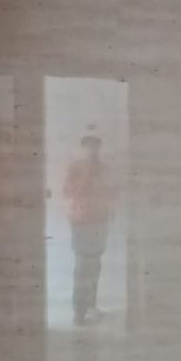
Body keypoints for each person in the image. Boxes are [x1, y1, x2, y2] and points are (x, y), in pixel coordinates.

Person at [62, 136, 112, 325]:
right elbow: (68, 192)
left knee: (95, 265)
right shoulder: (75, 168)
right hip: (82, 222)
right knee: (83, 267)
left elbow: (112, 192)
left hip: (100, 221)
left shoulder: (105, 168)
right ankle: (79, 312)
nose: (92, 150)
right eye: (88, 146)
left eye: (95, 146)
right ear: (83, 148)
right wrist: (87, 174)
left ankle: (91, 306)